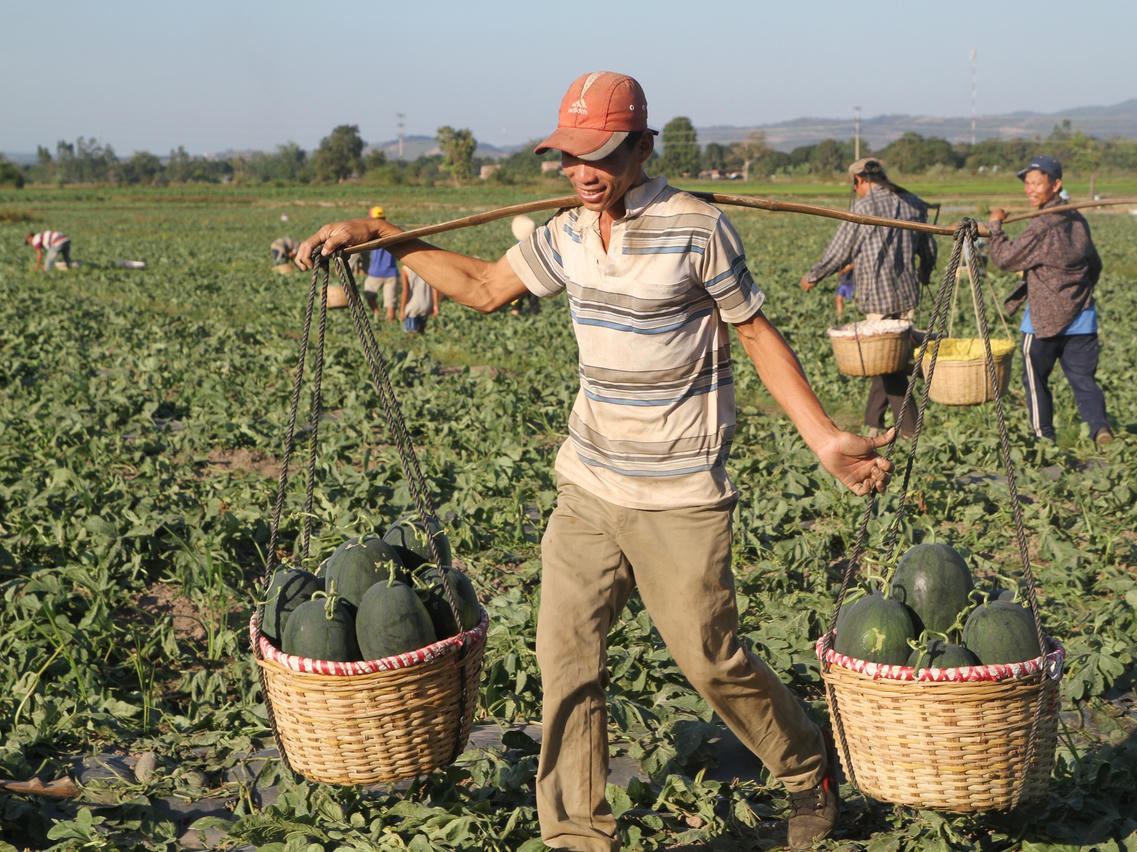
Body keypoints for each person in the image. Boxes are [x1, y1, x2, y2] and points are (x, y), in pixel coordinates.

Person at [297, 71, 894, 852]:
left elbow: (753, 332)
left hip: (679, 494)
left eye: (602, 156)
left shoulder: (696, 228)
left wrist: (823, 439)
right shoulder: (568, 230)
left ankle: (803, 763)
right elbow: (481, 287)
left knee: (710, 659)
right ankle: (577, 836)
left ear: (643, 147)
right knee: (565, 658)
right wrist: (386, 239)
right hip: (587, 486)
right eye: (570, 156)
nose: (583, 172)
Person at [799, 157, 935, 439]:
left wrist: (815, 274)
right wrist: (925, 272)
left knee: (887, 363)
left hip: (878, 296)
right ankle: (872, 421)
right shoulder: (912, 202)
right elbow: (928, 244)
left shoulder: (863, 208)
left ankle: (909, 429)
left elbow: (841, 250)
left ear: (859, 181)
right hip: (908, 293)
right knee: (886, 355)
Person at [987, 155, 1114, 446]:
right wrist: (1076, 293)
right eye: (1027, 184)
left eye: (1036, 183)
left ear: (1055, 185)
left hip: (1042, 322)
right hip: (1082, 318)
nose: (1029, 189)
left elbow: (1005, 258)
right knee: (1083, 381)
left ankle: (1044, 438)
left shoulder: (1042, 225)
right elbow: (1095, 264)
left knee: (1035, 381)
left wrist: (995, 226)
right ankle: (1100, 429)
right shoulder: (1077, 220)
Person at [363, 206, 399, 322]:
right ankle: (383, 319)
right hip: (388, 273)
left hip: (378, 272)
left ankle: (378, 315)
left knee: (370, 295)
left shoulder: (371, 233)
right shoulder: (394, 231)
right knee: (390, 303)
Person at [399, 263, 438, 332]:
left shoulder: (405, 269)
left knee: (411, 337)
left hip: (412, 308)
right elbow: (434, 288)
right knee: (423, 335)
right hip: (427, 306)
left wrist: (402, 310)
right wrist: (435, 305)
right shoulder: (429, 268)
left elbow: (405, 291)